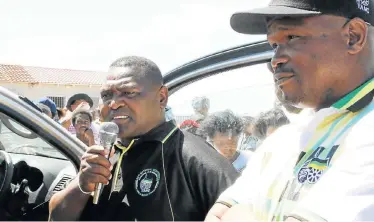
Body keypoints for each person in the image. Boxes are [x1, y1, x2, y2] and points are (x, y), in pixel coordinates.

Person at [205, 0, 374, 221]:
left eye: (291, 38)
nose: (275, 60)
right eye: (274, 46)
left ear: (354, 36)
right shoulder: (287, 136)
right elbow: (218, 215)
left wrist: (243, 213)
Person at [49, 56, 239, 221]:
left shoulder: (195, 159)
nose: (113, 104)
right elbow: (56, 216)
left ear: (162, 97)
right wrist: (83, 185)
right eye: (107, 95)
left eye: (129, 93)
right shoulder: (105, 153)